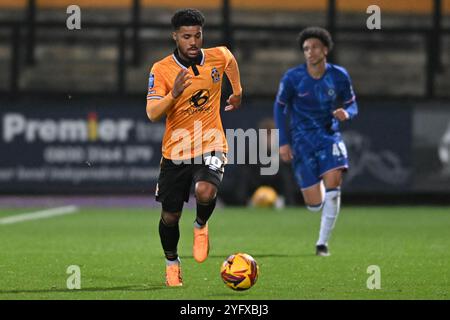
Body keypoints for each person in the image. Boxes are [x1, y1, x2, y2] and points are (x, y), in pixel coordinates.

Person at [146, 8, 242, 286]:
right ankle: (172, 262)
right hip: (175, 152)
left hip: (211, 142)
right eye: (186, 36)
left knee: (205, 189)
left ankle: (200, 225)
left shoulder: (217, 55)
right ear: (175, 36)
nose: (193, 42)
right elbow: (152, 113)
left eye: (197, 35)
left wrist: (237, 91)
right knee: (170, 215)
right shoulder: (161, 69)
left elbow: (230, 60)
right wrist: (173, 93)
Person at [273, 27, 358, 256]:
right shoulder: (293, 78)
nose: (310, 52)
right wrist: (283, 141)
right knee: (314, 205)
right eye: (306, 49)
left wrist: (347, 113)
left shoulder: (339, 75)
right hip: (302, 141)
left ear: (325, 50)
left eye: (315, 47)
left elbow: (353, 104)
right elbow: (279, 107)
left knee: (335, 181)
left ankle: (322, 244)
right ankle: (319, 190)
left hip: (330, 136)